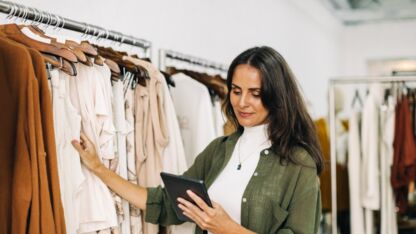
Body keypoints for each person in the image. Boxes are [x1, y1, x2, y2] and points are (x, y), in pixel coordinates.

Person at [72, 46, 324, 234]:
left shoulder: (298, 163)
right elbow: (165, 204)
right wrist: (98, 168)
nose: (242, 102)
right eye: (236, 91)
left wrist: (227, 228)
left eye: (255, 94)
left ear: (277, 96)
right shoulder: (219, 150)